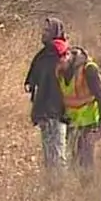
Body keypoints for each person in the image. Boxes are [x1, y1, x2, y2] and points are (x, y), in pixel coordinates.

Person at [55, 41, 101, 178]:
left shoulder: (89, 69)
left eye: (60, 61)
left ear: (67, 55)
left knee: (86, 165)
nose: (58, 65)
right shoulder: (59, 71)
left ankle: (89, 193)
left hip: (89, 124)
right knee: (73, 164)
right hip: (71, 124)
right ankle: (77, 194)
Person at [23, 16, 69, 173]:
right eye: (44, 30)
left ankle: (61, 188)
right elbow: (32, 78)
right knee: (49, 153)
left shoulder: (64, 55)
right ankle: (51, 186)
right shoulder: (42, 55)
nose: (44, 33)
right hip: (43, 107)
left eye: (47, 30)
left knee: (58, 151)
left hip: (59, 109)